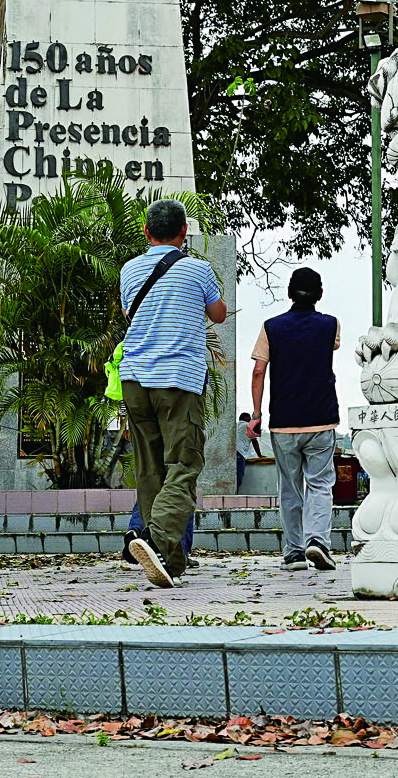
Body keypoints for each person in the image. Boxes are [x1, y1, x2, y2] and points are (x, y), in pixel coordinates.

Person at [117, 198, 223, 589]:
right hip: (177, 378)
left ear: (146, 233)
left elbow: (131, 314)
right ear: (184, 233)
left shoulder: (130, 270)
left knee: (149, 468)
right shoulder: (198, 269)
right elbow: (218, 314)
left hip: (135, 379)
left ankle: (170, 561)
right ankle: (155, 540)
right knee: (183, 464)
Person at [249, 266, 340, 571]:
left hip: (284, 421)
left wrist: (256, 414)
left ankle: (294, 552)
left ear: (288, 293)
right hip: (322, 418)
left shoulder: (271, 327)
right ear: (320, 295)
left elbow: (259, 370)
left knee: (290, 486)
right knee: (319, 484)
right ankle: (318, 542)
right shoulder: (330, 325)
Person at [234, 413, 262, 492]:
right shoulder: (248, 426)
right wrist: (260, 456)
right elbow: (255, 442)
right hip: (240, 452)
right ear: (246, 418)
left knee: (232, 478)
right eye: (249, 418)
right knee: (239, 476)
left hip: (231, 452)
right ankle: (234, 496)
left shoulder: (235, 425)